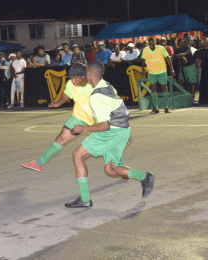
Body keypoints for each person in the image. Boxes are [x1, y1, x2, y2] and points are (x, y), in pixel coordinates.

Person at [64, 61, 154, 208]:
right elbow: (119, 109)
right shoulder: (107, 85)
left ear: (91, 74)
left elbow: (105, 125)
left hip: (110, 132)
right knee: (110, 170)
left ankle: (85, 199)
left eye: (86, 72)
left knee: (78, 155)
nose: (84, 75)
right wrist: (124, 135)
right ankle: (144, 177)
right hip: (121, 130)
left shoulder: (96, 96)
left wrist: (83, 128)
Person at [21, 63, 94, 173]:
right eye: (71, 78)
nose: (72, 81)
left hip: (98, 120)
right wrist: (57, 103)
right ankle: (39, 163)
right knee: (62, 137)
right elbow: (65, 96)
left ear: (84, 77)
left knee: (107, 147)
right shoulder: (71, 84)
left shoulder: (95, 87)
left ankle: (121, 170)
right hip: (79, 116)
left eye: (75, 78)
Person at [141, 37, 175, 114]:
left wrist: (172, 68)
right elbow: (143, 59)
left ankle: (166, 107)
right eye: (150, 42)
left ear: (155, 42)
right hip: (152, 72)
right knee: (153, 89)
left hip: (162, 71)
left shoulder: (161, 48)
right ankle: (156, 108)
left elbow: (167, 58)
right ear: (148, 43)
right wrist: (143, 68)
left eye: (153, 42)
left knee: (164, 87)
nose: (151, 44)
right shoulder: (145, 50)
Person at [193, 37, 208, 104]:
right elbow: (199, 61)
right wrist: (198, 70)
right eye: (204, 41)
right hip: (202, 69)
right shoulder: (200, 51)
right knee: (201, 84)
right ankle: (201, 99)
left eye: (207, 41)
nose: (205, 43)